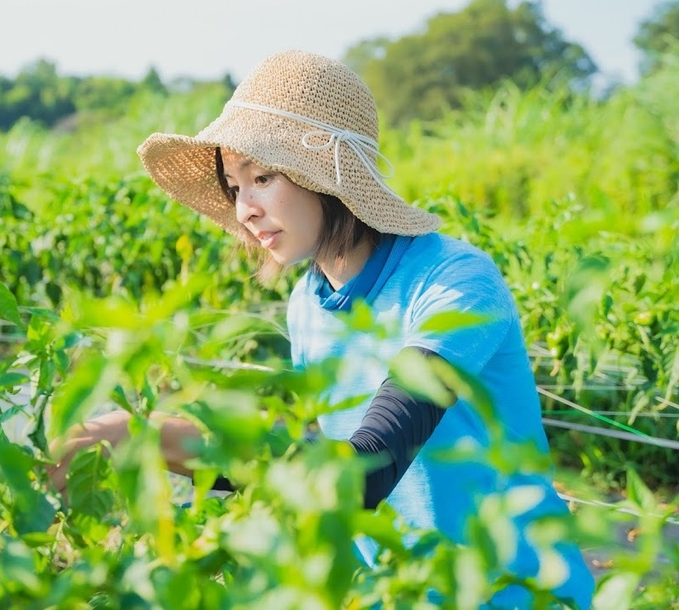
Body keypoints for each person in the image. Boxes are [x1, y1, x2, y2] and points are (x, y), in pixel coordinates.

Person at [49, 50, 595, 609]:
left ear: (330, 181)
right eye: (235, 187)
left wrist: (148, 435)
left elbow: (367, 468)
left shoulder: (455, 283)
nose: (245, 210)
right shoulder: (309, 301)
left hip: (511, 591)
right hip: (393, 591)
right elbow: (316, 461)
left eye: (263, 177)